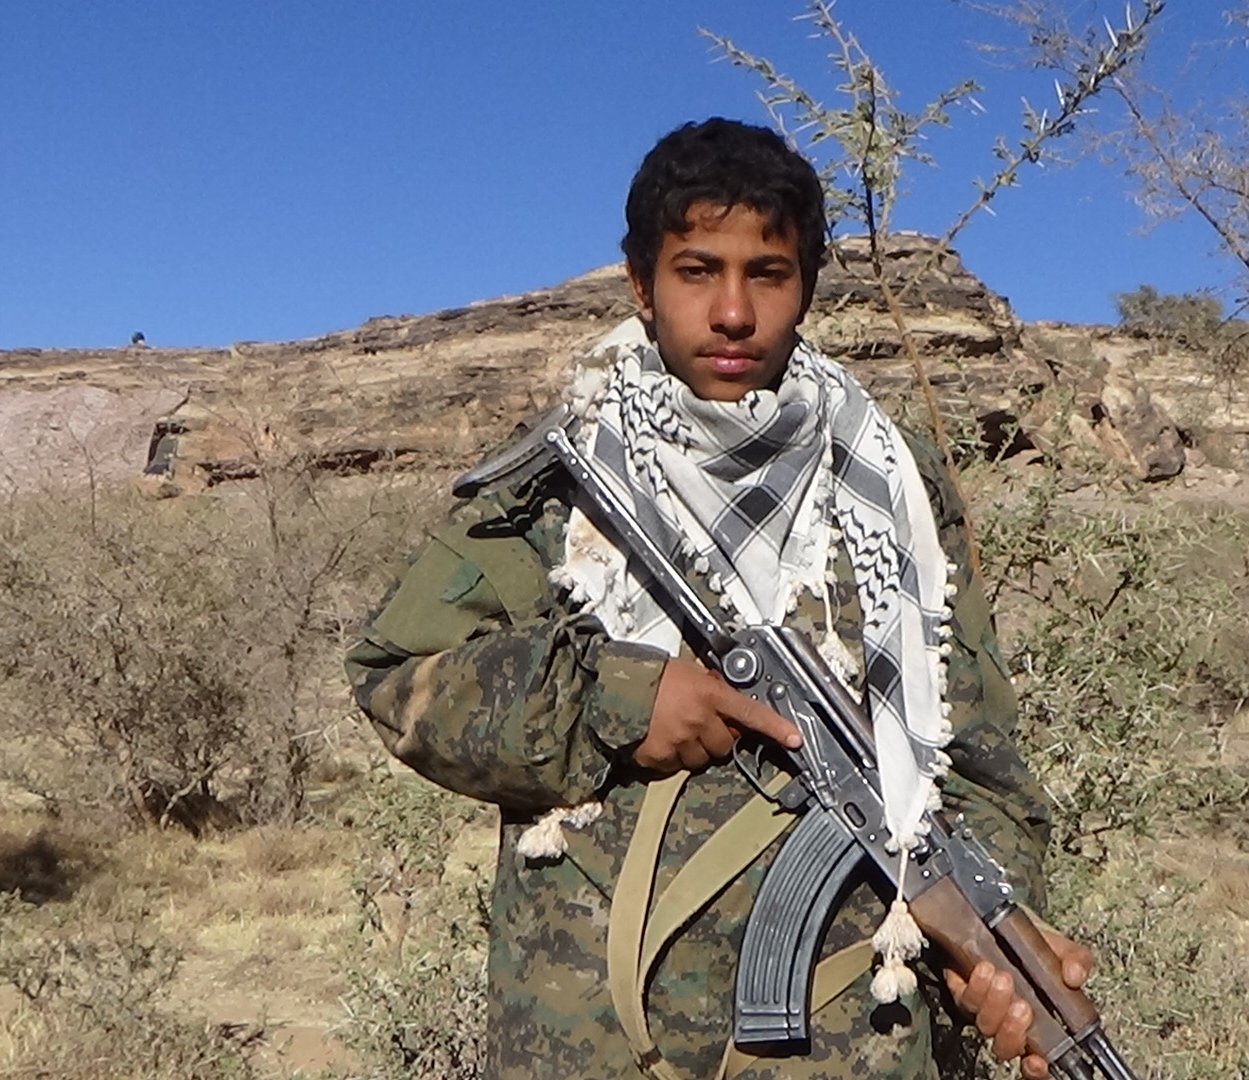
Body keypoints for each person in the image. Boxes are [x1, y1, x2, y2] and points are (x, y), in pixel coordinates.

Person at [347, 117, 1091, 1080]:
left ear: (806, 286)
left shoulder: (889, 489)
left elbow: (977, 760)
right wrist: (619, 698)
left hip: (849, 1048)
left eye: (767, 274)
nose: (733, 312)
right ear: (641, 285)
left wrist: (994, 934)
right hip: (585, 1041)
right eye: (697, 271)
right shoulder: (562, 482)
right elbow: (396, 676)